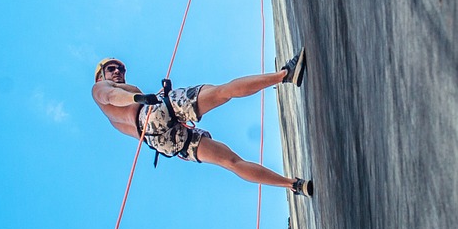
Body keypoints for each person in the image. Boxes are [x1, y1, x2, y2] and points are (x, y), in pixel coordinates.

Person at [91, 52, 314, 197]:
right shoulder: (100, 88)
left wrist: (158, 96)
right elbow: (111, 96)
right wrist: (138, 98)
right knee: (222, 92)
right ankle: (285, 75)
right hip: (150, 116)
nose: (118, 72)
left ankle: (294, 185)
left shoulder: (113, 118)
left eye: (120, 69)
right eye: (111, 69)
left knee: (232, 162)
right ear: (101, 75)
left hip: (161, 142)